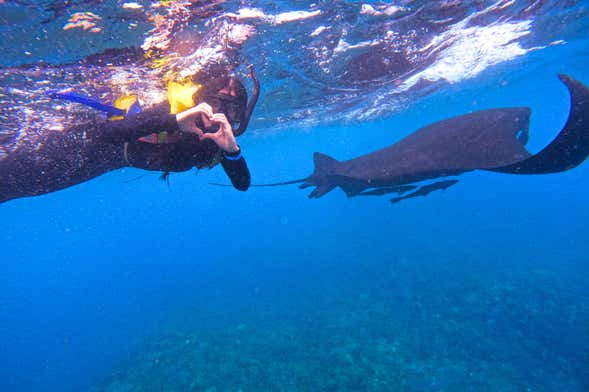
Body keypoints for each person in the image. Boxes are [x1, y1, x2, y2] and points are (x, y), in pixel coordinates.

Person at [0, 66, 260, 204]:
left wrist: (232, 152)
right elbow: (109, 133)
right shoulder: (172, 110)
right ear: (200, 101)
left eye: (232, 110)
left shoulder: (218, 137)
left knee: (13, 190)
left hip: (100, 164)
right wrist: (174, 121)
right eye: (217, 104)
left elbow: (242, 184)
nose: (221, 115)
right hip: (81, 143)